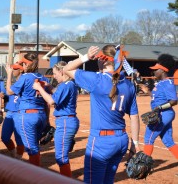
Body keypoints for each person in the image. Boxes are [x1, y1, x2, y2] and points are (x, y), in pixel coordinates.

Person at [64, 45, 140, 184]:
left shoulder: (97, 80)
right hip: (122, 140)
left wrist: (86, 57)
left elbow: (67, 69)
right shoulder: (128, 84)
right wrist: (135, 143)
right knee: (108, 180)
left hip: (101, 141)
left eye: (99, 58)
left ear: (104, 60)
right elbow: (134, 116)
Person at [33, 61, 79, 177]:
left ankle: (66, 180)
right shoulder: (70, 84)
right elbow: (59, 95)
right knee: (62, 155)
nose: (54, 76)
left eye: (55, 73)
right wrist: (50, 87)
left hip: (65, 122)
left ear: (61, 71)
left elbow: (52, 101)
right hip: (68, 121)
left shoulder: (65, 85)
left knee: (61, 157)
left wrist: (40, 88)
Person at [5, 53, 51, 166]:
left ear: (27, 65)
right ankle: (36, 170)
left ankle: (34, 176)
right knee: (35, 145)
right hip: (41, 114)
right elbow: (47, 103)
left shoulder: (26, 77)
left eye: (23, 64)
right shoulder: (43, 77)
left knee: (32, 149)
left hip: (28, 116)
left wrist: (9, 75)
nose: (22, 66)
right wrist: (47, 120)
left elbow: (9, 92)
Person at [139, 54, 178, 162]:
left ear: (162, 71)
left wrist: (159, 107)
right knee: (168, 141)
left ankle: (143, 166)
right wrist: (148, 91)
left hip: (163, 114)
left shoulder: (168, 84)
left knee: (148, 137)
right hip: (162, 113)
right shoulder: (161, 83)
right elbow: (157, 97)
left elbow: (174, 101)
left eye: (156, 70)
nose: (154, 72)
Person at [1, 62, 24, 159]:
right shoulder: (13, 83)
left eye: (15, 69)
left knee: (19, 139)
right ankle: (14, 154)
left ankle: (18, 158)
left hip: (19, 113)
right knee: (5, 137)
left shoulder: (24, 82)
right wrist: (4, 96)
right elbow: (9, 95)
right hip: (10, 113)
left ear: (21, 70)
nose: (12, 70)